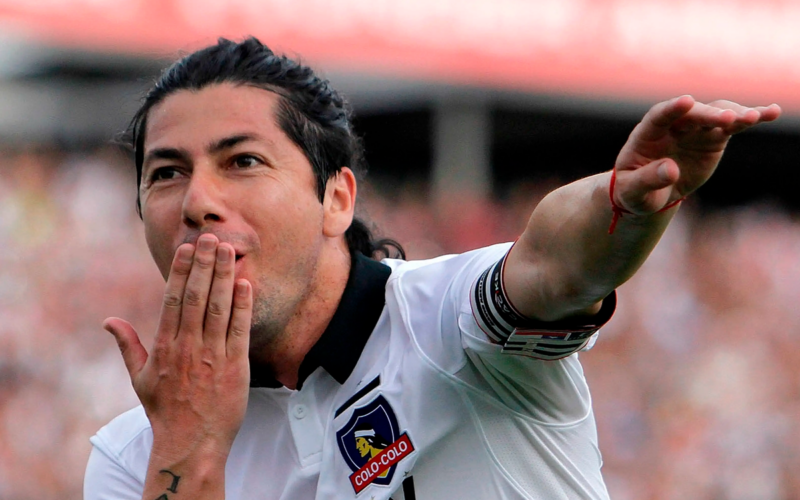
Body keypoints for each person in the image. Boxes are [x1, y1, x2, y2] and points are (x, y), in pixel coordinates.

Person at [82, 37, 781, 500]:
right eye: (167, 173)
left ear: (336, 197)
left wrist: (621, 206)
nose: (199, 202)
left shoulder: (445, 318)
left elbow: (554, 266)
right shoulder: (130, 457)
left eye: (242, 161)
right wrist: (191, 445)